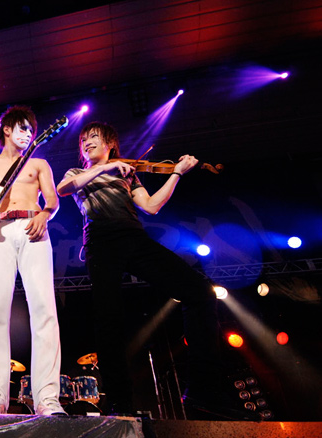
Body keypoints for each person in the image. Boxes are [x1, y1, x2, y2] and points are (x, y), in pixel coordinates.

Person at [56, 121, 257, 420]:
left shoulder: (127, 173)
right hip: (101, 243)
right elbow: (63, 189)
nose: (87, 142)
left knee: (201, 293)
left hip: (134, 239)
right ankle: (120, 403)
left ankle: (203, 391)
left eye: (94, 137)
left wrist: (176, 173)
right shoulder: (77, 172)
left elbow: (151, 206)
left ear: (110, 144)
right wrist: (105, 168)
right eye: (83, 139)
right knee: (109, 320)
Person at [0, 105, 66, 416]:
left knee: (44, 310)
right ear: (7, 129)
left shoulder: (38, 163)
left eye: (31, 129)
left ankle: (47, 397)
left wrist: (44, 215)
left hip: (33, 229)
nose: (28, 133)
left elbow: (52, 201)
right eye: (23, 127)